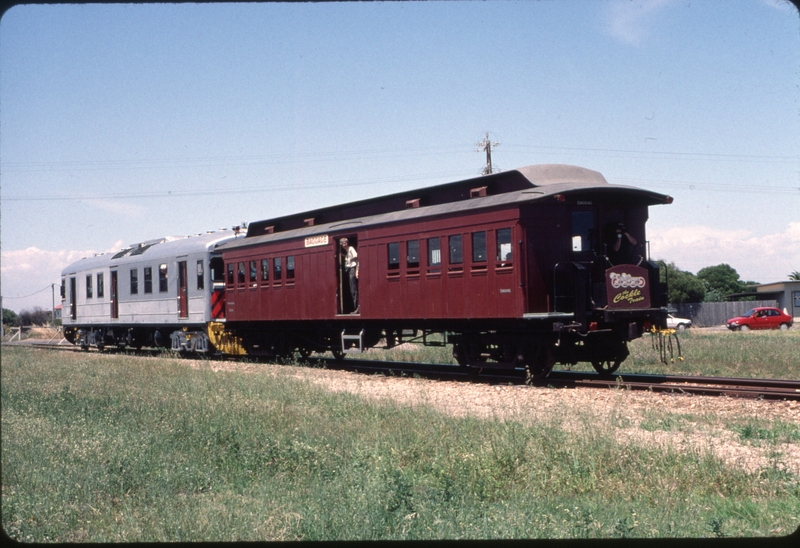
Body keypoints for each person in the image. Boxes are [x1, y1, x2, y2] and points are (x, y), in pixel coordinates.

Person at [340, 238, 359, 313]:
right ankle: (355, 308)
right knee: (352, 289)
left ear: (347, 243)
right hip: (350, 269)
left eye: (345, 243)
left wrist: (350, 260)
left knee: (353, 289)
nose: (344, 244)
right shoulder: (347, 251)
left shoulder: (350, 248)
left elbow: (356, 256)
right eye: (342, 243)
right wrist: (344, 255)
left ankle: (356, 308)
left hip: (352, 269)